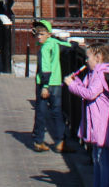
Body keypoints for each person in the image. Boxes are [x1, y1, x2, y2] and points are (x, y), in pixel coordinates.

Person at [66, 42, 109, 186]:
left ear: (98, 57)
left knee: (102, 159)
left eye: (88, 57)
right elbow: (85, 88)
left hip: (102, 122)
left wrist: (71, 86)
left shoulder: (101, 74)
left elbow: (90, 94)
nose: (86, 61)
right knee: (97, 158)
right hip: (96, 122)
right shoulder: (94, 73)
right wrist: (75, 81)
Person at [32, 20, 68, 152]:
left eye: (41, 34)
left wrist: (45, 86)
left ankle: (39, 141)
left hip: (45, 84)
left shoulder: (45, 48)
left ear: (48, 34)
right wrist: (75, 44)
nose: (39, 37)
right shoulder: (55, 43)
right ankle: (60, 142)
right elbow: (66, 45)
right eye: (37, 34)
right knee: (57, 113)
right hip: (57, 83)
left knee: (41, 112)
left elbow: (45, 68)